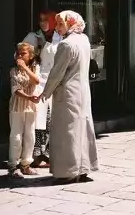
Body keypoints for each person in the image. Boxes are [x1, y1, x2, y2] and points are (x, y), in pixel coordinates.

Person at [38, 11, 98, 184]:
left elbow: (57, 73)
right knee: (82, 128)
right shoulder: (84, 40)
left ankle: (67, 171)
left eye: (61, 24)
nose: (57, 27)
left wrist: (46, 91)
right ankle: (83, 167)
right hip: (82, 91)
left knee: (67, 132)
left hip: (68, 92)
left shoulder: (66, 45)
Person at [22, 10, 61, 169]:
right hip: (39, 82)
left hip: (55, 82)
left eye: (47, 20)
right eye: (41, 20)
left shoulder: (60, 37)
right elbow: (20, 55)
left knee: (53, 119)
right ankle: (37, 154)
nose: (43, 23)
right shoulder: (34, 37)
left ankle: (51, 153)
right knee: (40, 118)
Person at [8, 42, 40, 178]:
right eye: (19, 53)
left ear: (31, 55)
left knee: (30, 135)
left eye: (24, 53)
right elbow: (16, 90)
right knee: (16, 136)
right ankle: (13, 165)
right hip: (18, 105)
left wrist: (25, 68)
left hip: (31, 107)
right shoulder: (13, 70)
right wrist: (28, 97)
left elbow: (36, 80)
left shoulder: (35, 67)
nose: (20, 55)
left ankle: (26, 164)